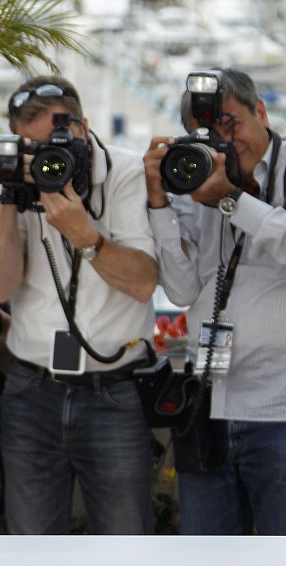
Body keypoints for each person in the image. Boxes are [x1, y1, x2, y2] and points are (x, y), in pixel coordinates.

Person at [0, 75, 159, 534]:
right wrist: (9, 195)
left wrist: (84, 235)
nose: (48, 159)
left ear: (84, 127)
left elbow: (143, 282)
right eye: (33, 148)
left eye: (57, 143)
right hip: (31, 389)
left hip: (113, 391)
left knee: (125, 544)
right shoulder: (23, 181)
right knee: (32, 547)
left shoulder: (123, 171)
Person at [144, 68, 286, 535]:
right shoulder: (197, 176)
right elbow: (182, 290)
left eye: (231, 125)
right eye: (207, 133)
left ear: (260, 112)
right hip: (208, 406)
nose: (224, 143)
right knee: (206, 556)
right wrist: (160, 203)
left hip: (278, 409)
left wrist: (231, 201)